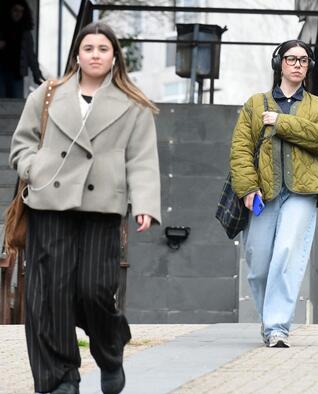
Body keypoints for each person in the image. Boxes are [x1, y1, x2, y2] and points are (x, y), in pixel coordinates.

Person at [10, 22, 160, 394]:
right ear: (77, 54)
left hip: (102, 205)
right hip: (50, 201)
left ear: (114, 58)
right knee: (51, 294)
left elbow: (141, 159)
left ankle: (110, 350)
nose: (95, 54)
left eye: (103, 49)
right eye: (88, 48)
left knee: (94, 290)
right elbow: (21, 144)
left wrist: (144, 204)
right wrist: (35, 167)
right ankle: (60, 378)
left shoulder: (133, 104)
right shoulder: (47, 94)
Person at [231, 39, 318, 348]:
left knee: (287, 253)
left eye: (303, 60)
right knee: (259, 261)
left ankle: (277, 325)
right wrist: (248, 188)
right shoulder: (255, 104)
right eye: (291, 59)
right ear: (279, 63)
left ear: (309, 67)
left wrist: (281, 122)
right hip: (264, 193)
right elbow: (240, 150)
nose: (297, 65)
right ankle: (269, 321)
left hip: (303, 192)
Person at [0, 0, 44, 98]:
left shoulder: (25, 33)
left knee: (15, 104)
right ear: (9, 11)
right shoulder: (2, 29)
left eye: (21, 11)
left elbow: (31, 56)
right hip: (2, 72)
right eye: (16, 10)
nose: (18, 14)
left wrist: (37, 76)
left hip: (17, 74)